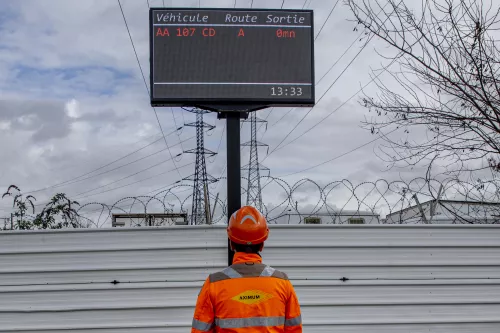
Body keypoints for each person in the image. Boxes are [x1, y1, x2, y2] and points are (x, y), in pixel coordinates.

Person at [191, 205, 302, 333]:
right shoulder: (282, 283)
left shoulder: (213, 284)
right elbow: (294, 329)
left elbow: (199, 331)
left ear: (231, 243)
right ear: (262, 245)